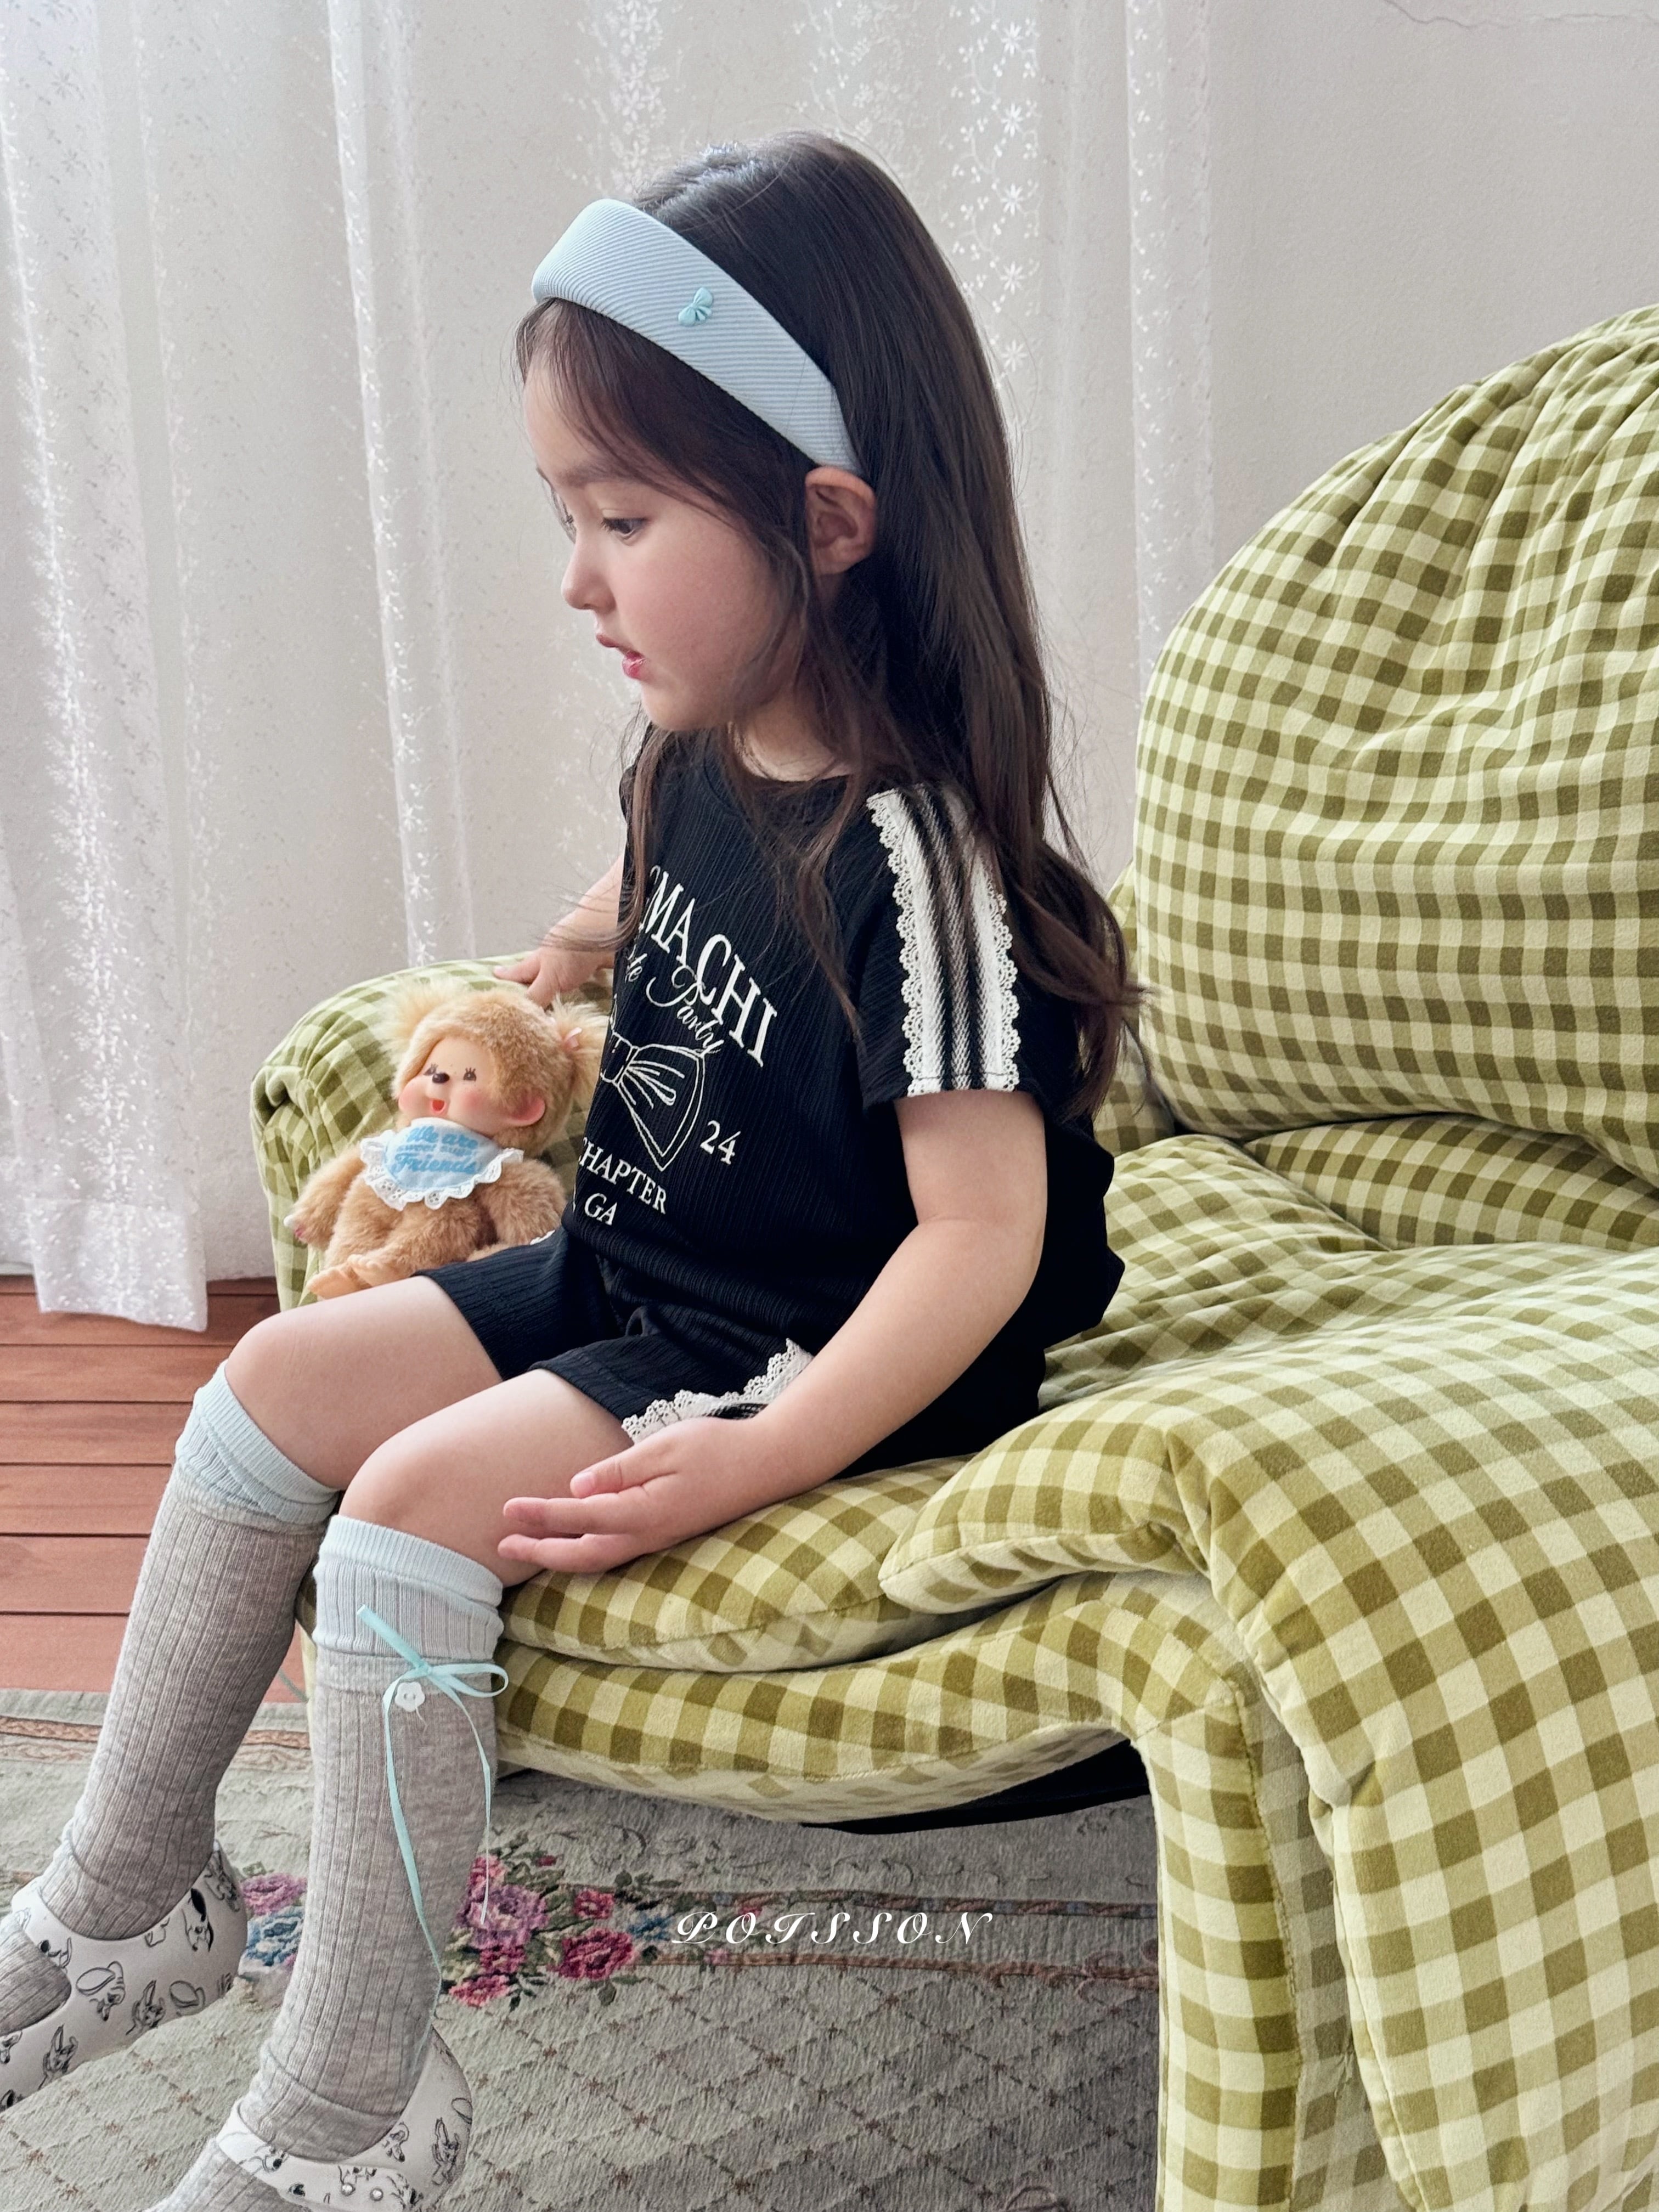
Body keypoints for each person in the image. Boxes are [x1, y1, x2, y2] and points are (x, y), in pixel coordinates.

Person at [0, 130, 1140, 2206]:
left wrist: (771, 1447)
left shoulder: (926, 863)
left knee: (406, 1515)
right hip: (640, 1260)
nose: (577, 578)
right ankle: (124, 1902)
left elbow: (988, 1232)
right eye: (566, 517)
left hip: (801, 1332)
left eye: (623, 518)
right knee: (269, 1385)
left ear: (829, 523)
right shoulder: (696, 738)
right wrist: (570, 951)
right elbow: (665, 888)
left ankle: (356, 2104)